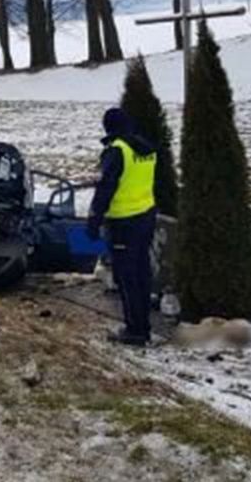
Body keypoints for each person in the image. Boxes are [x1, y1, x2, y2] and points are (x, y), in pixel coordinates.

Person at [87, 108, 158, 347]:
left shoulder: (117, 151)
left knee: (126, 277)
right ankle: (144, 325)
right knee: (142, 272)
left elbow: (105, 189)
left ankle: (135, 331)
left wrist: (93, 221)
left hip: (123, 223)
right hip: (146, 216)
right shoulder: (146, 148)